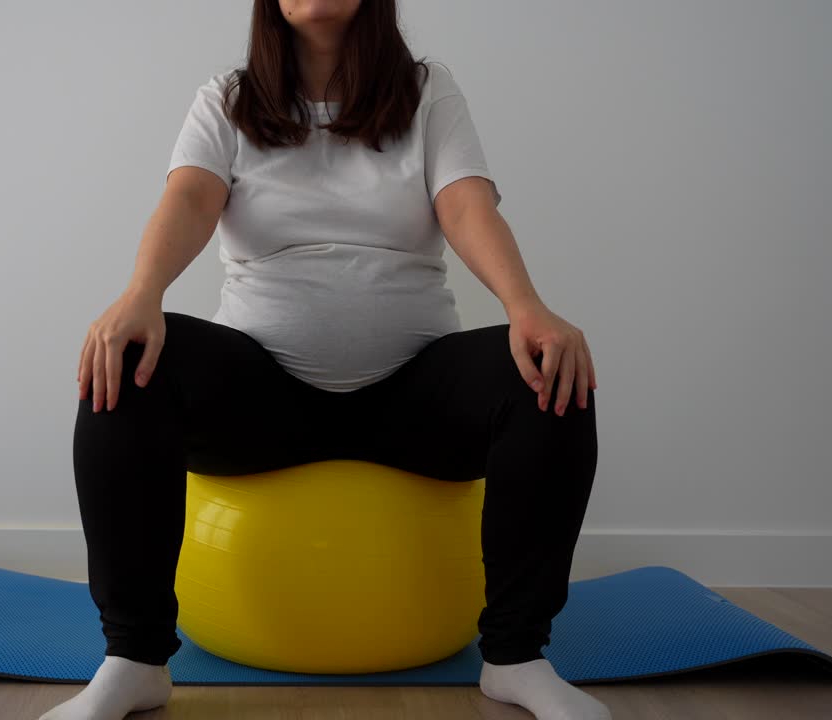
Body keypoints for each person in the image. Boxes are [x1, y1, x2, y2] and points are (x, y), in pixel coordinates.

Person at [41, 1, 607, 718]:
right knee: (122, 356)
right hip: (264, 403)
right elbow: (188, 199)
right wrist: (141, 293)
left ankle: (517, 657)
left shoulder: (427, 92)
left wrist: (527, 307)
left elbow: (466, 207)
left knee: (552, 375)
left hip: (412, 401)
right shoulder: (228, 99)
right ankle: (134, 659)